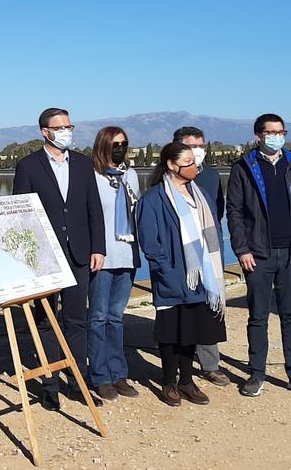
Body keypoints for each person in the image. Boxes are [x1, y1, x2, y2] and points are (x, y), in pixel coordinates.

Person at [12, 108, 106, 410]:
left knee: (77, 319)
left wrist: (98, 248)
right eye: (60, 126)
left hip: (80, 252)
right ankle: (50, 384)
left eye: (69, 126)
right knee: (46, 321)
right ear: (44, 131)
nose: (67, 131)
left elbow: (94, 208)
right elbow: (20, 215)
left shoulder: (83, 163)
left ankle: (79, 380)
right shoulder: (27, 166)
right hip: (44, 256)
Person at [226, 114, 291, 398]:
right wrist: (241, 249)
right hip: (258, 255)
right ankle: (256, 374)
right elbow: (234, 213)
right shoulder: (244, 167)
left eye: (281, 132)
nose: (276, 137)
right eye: (270, 132)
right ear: (258, 136)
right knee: (258, 317)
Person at [136, 142, 227, 407]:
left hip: (202, 277)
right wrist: (166, 271)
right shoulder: (153, 198)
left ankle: (187, 380)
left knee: (192, 332)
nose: (194, 166)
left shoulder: (200, 195)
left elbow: (213, 233)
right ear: (171, 165)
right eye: (187, 162)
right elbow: (150, 242)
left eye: (194, 161)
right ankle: (169, 382)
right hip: (174, 276)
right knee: (171, 333)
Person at [172, 126, 230, 387]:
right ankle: (177, 362)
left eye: (200, 145)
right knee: (181, 310)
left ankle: (210, 364)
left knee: (210, 305)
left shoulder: (212, 176)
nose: (197, 150)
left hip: (208, 251)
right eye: (191, 146)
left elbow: (218, 213)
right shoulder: (166, 177)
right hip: (179, 252)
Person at [87, 126, 141, 402]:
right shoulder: (91, 177)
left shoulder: (130, 176)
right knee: (98, 317)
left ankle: (119, 373)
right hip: (102, 257)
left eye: (124, 143)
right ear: (104, 145)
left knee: (116, 318)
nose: (120, 148)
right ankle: (100, 375)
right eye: (115, 143)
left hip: (127, 255)